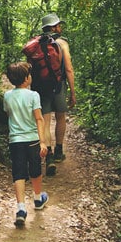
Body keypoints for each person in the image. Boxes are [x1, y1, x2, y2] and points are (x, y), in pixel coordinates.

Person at [2, 61, 49, 226]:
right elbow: (39, 118)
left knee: (19, 173)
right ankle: (37, 199)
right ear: (26, 78)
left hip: (15, 141)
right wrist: (43, 142)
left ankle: (21, 208)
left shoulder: (7, 96)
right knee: (35, 170)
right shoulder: (33, 95)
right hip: (32, 140)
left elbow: (8, 113)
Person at [33, 13, 77, 176]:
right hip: (58, 86)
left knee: (44, 121)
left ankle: (48, 156)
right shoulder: (62, 43)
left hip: (40, 86)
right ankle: (59, 151)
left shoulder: (36, 43)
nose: (60, 27)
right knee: (60, 117)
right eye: (58, 25)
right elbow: (69, 69)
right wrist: (72, 92)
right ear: (53, 27)